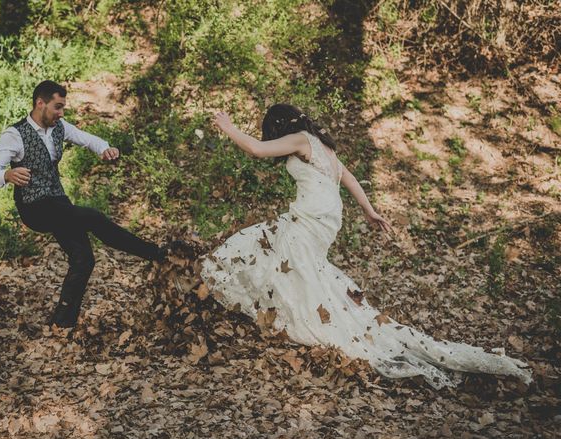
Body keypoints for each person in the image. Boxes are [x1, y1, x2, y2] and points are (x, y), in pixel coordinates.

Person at [200, 104, 532, 389]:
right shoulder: (323, 146)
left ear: (281, 127)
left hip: (310, 221)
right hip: (322, 223)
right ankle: (265, 304)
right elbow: (348, 178)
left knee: (263, 245)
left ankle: (238, 294)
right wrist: (370, 211)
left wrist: (228, 127)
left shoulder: (301, 139)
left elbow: (258, 150)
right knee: (282, 253)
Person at [0, 80, 165, 328]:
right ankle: (154, 254)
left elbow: (85, 138)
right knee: (93, 217)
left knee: (83, 259)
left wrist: (104, 148)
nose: (61, 113)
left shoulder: (59, 127)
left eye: (63, 108)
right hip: (34, 207)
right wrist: (6, 175)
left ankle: (62, 322)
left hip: (58, 202)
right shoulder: (15, 135)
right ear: (40, 103)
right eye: (57, 107)